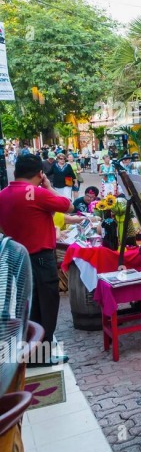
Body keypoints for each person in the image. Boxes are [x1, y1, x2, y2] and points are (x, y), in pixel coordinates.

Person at [0, 155, 73, 366]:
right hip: (40, 258)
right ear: (40, 173)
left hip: (17, 259)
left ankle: (29, 350)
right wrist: (48, 186)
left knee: (27, 305)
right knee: (47, 305)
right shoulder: (36, 193)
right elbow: (67, 205)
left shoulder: (3, 194)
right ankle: (42, 354)